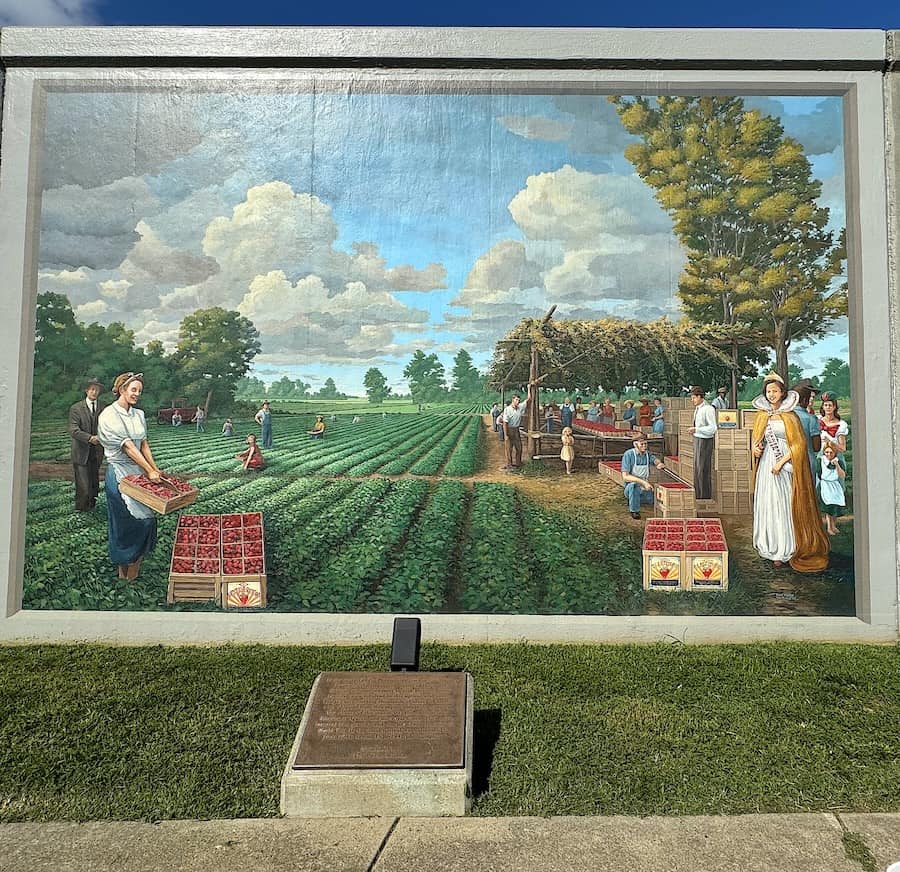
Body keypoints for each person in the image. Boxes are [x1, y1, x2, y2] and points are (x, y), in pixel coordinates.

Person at [750, 373, 829, 572]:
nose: (771, 395)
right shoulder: (762, 415)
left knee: (784, 502)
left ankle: (787, 547)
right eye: (768, 391)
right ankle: (771, 547)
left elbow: (800, 445)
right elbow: (757, 441)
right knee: (769, 501)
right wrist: (755, 449)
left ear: (783, 393)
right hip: (767, 462)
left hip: (786, 463)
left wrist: (781, 462)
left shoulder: (791, 416)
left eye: (775, 391)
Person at [96, 372, 162, 581]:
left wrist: (155, 469)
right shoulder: (108, 415)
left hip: (138, 472)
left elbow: (143, 444)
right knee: (126, 522)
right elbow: (128, 447)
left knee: (147, 520)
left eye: (140, 391)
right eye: (133, 390)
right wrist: (149, 470)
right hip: (119, 473)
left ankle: (134, 569)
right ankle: (123, 569)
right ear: (122, 389)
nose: (137, 394)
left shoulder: (139, 414)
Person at [68, 376, 106, 511]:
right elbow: (73, 430)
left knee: (94, 483)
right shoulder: (76, 408)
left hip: (96, 452)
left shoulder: (104, 407)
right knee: (83, 485)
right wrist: (90, 438)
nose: (94, 392)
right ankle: (81, 509)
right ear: (86, 390)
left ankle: (92, 508)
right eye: (92, 389)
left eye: (97, 390)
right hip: (81, 452)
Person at [619, 436, 665, 520]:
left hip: (645, 488)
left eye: (645, 444)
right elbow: (625, 476)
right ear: (635, 444)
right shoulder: (629, 455)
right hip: (631, 488)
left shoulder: (647, 454)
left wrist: (659, 463)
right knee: (634, 486)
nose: (644, 446)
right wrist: (643, 482)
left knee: (652, 500)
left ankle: (636, 500)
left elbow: (654, 460)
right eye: (642, 444)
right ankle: (634, 511)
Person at [688, 387, 717, 500]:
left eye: (694, 398)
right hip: (697, 439)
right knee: (697, 469)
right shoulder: (698, 409)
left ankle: (705, 497)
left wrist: (697, 429)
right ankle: (698, 496)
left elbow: (713, 428)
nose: (692, 400)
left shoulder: (708, 409)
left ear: (700, 397)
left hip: (705, 441)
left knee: (703, 469)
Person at [790, 381, 822, 480]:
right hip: (807, 461)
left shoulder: (785, 416)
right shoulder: (811, 419)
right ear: (805, 400)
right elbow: (816, 447)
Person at [818, 443, 846, 536]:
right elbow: (819, 473)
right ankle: (829, 527)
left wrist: (836, 465)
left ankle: (834, 526)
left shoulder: (838, 461)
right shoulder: (821, 461)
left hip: (835, 485)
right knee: (829, 507)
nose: (829, 454)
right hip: (826, 485)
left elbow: (842, 475)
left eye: (831, 452)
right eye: (827, 452)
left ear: (835, 453)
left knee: (836, 506)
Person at [501, 394, 527, 470]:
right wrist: (506, 435)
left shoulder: (520, 407)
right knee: (509, 449)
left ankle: (518, 463)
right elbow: (505, 423)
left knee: (519, 448)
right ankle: (509, 464)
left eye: (519, 400)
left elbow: (528, 400)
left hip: (516, 430)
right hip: (509, 429)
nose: (518, 401)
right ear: (513, 400)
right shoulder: (507, 409)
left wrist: (529, 389)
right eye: (516, 400)